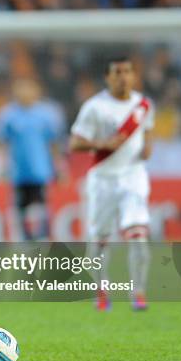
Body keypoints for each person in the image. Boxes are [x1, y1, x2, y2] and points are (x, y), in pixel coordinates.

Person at [69, 57, 154, 312]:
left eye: (127, 72)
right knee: (99, 240)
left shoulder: (143, 105)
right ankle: (101, 290)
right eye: (117, 72)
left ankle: (138, 291)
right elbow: (75, 143)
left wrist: (147, 148)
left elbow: (147, 135)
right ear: (108, 77)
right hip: (103, 178)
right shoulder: (95, 107)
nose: (123, 77)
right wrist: (104, 144)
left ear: (134, 75)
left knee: (138, 236)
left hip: (133, 176)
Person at [0, 77, 66, 240]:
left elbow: (54, 143)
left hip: (41, 170)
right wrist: (2, 166)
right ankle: (24, 239)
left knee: (41, 207)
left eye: (28, 88)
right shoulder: (7, 115)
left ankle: (43, 237)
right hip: (18, 172)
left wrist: (60, 168)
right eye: (21, 89)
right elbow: (1, 143)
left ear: (36, 91)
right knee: (20, 208)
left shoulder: (47, 114)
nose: (24, 93)